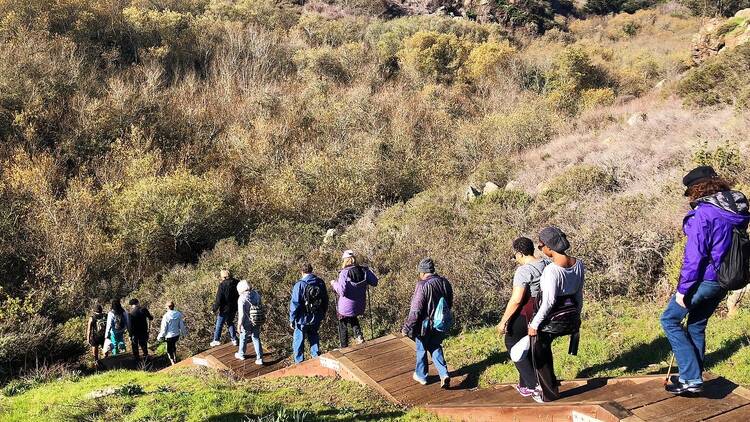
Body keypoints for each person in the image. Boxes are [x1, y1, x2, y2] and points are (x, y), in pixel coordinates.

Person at [661, 166, 749, 394]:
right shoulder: (735, 211)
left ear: (696, 189)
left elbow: (695, 256)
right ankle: (692, 378)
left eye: (690, 191)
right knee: (696, 326)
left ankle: (691, 379)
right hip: (725, 280)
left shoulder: (704, 213)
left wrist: (683, 290)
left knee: (670, 320)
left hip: (704, 280)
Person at [530, 227, 584, 403]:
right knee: (543, 347)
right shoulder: (579, 264)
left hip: (552, 320)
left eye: (540, 246)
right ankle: (548, 388)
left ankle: (548, 392)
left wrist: (534, 324)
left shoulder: (552, 271)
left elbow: (548, 302)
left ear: (549, 247)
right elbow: (578, 294)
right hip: (570, 316)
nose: (540, 249)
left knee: (540, 350)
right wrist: (578, 316)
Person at [497, 237, 549, 398]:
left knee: (512, 343)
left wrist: (503, 321)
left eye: (515, 255)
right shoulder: (546, 263)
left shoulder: (524, 271)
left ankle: (534, 385)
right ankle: (525, 384)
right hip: (544, 310)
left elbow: (517, 299)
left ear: (520, 253)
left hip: (527, 312)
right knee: (528, 346)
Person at [401, 258, 454, 389]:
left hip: (425, 326)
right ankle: (444, 373)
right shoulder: (444, 282)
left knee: (421, 349)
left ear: (422, 272)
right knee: (435, 346)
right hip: (441, 323)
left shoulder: (422, 285)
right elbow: (450, 302)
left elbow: (416, 310)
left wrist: (407, 328)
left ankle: (421, 376)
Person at [331, 250, 378, 348]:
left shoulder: (344, 273)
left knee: (342, 322)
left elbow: (342, 291)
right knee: (352, 316)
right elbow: (375, 282)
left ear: (345, 260)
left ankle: (344, 347)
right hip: (360, 305)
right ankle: (359, 336)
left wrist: (334, 283)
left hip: (345, 307)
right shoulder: (364, 270)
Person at [290, 263, 329, 364]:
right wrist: (323, 313)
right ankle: (316, 358)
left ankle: (299, 362)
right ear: (312, 270)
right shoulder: (320, 282)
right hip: (316, 316)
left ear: (302, 272)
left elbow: (295, 303)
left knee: (299, 340)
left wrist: (292, 319)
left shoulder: (299, 285)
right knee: (314, 336)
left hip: (302, 318)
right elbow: (325, 299)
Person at [235, 280, 264, 365]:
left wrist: (239, 325)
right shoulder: (256, 294)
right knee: (256, 338)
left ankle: (241, 354)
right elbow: (260, 305)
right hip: (256, 320)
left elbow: (241, 314)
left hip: (246, 322)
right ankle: (260, 358)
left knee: (243, 337)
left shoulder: (242, 298)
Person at [210, 269, 239, 347]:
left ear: (224, 276)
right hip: (234, 307)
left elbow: (218, 299)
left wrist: (214, 309)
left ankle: (216, 339)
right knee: (230, 322)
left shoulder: (222, 285)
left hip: (224, 309)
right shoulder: (237, 282)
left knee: (219, 324)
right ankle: (234, 339)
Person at [157, 301, 188, 365]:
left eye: (166, 307)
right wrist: (184, 333)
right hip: (176, 335)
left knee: (168, 349)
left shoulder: (166, 316)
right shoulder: (178, 314)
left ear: (168, 307)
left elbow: (164, 328)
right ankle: (175, 358)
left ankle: (172, 362)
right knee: (173, 346)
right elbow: (181, 325)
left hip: (169, 336)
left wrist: (160, 336)